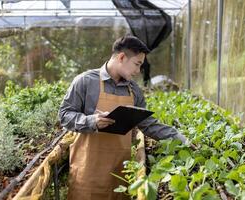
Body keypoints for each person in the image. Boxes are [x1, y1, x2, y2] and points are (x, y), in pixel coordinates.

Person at [59, 35, 186, 200]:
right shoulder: (85, 82)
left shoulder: (133, 90)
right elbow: (64, 115)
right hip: (87, 173)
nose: (138, 71)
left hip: (120, 174)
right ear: (121, 57)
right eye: (137, 64)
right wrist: (92, 121)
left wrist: (181, 139)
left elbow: (148, 125)